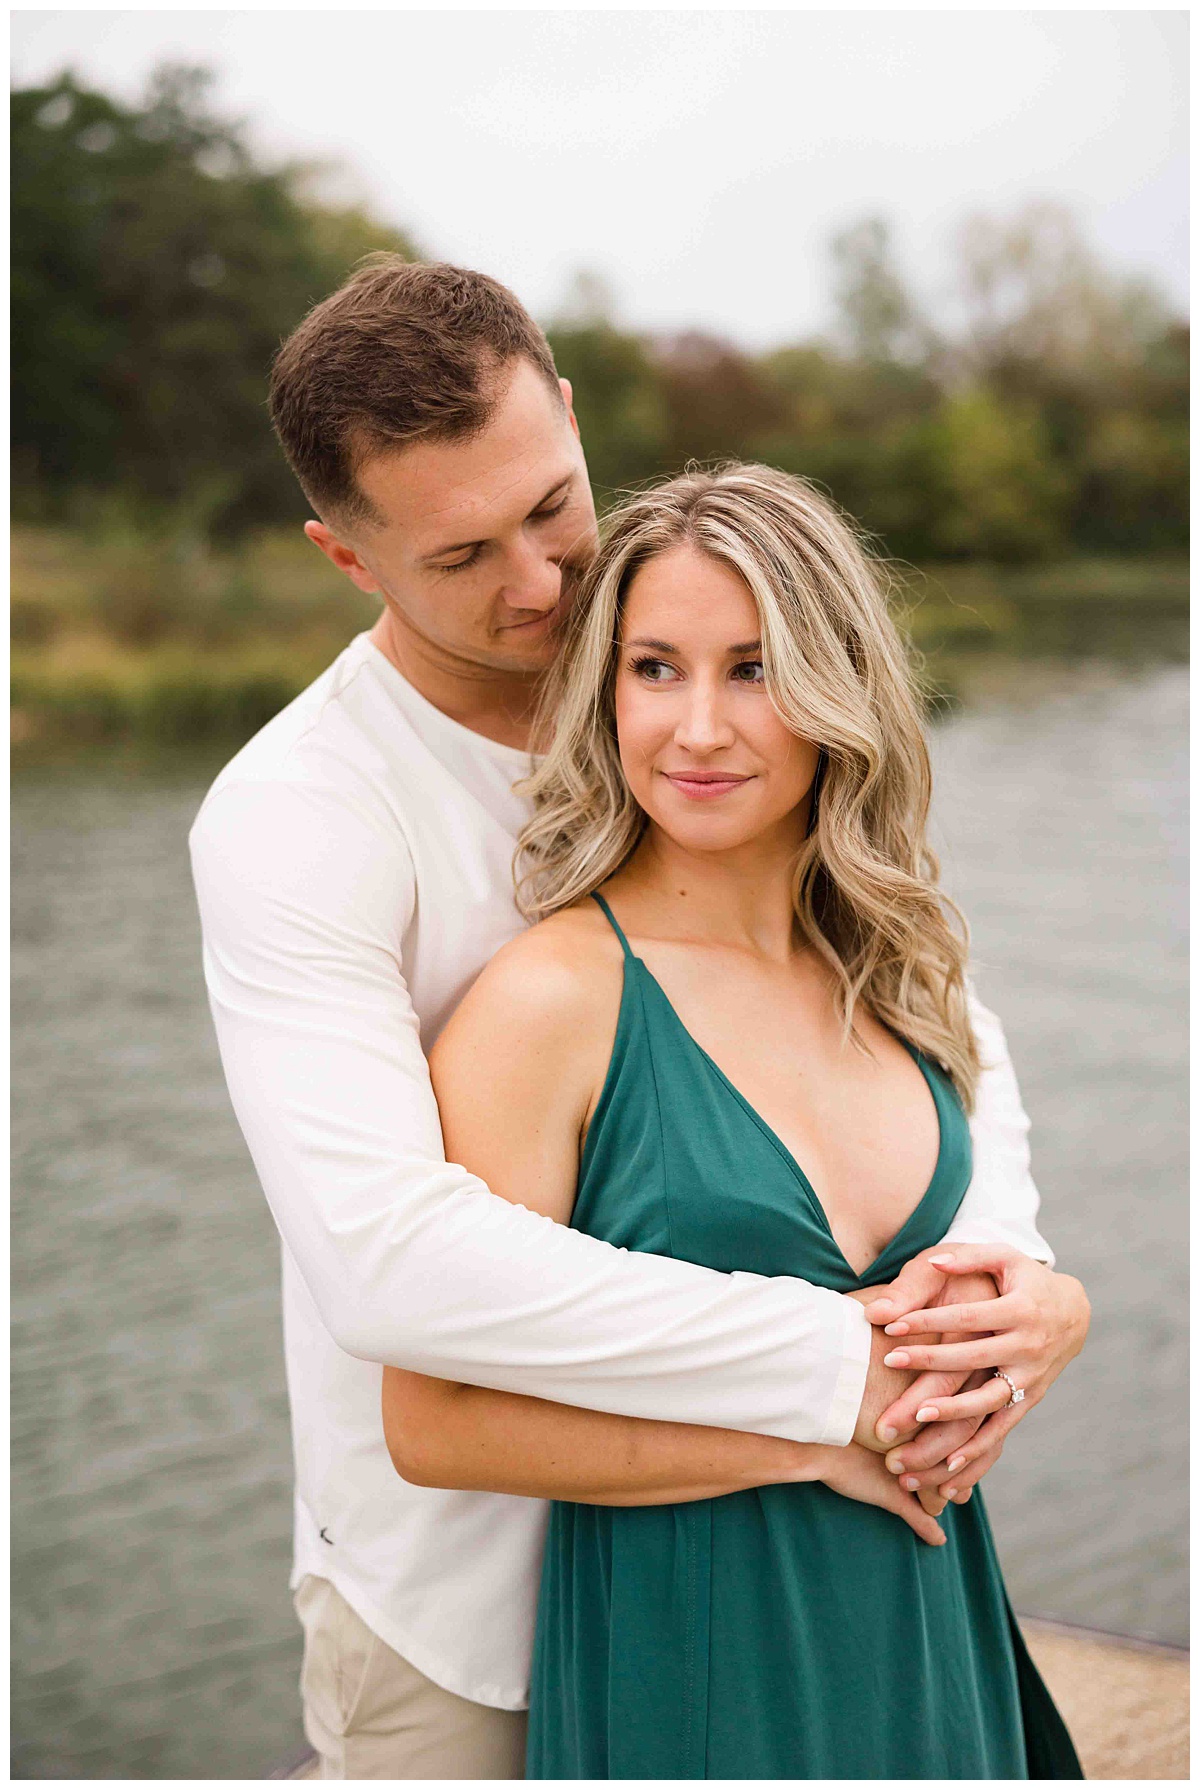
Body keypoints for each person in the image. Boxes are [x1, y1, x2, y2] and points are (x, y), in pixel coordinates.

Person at [188, 259, 1090, 1779]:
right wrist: (838, 1373)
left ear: (576, 421)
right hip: (469, 1599)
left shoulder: (688, 688)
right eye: (465, 552)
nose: (543, 583)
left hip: (803, 1550)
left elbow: (920, 1004)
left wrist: (1016, 1277)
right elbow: (393, 1263)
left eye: (552, 504)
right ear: (347, 558)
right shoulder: (300, 817)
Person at [380, 463, 1086, 1778]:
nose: (697, 726)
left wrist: (1053, 1311)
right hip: (698, 1661)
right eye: (656, 667)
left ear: (838, 685)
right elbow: (433, 1423)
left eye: (753, 668)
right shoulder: (551, 1005)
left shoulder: (899, 969)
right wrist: (805, 1443)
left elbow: (994, 1254)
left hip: (933, 1625)